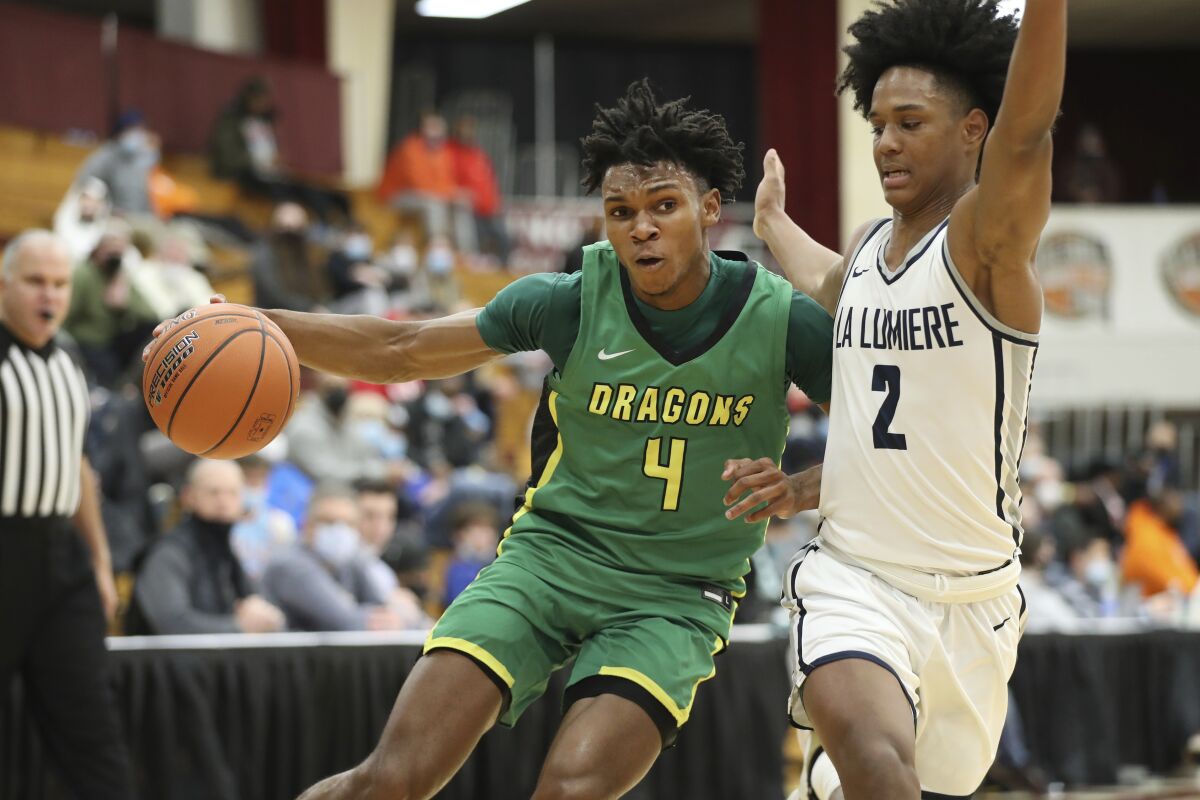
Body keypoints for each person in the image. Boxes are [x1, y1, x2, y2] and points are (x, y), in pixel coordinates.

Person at [146, 79, 835, 799]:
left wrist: (802, 488)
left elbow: (884, 429)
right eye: (620, 211)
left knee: (569, 791)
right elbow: (401, 347)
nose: (641, 228)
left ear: (711, 210)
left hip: (673, 594)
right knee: (389, 780)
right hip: (548, 562)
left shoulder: (781, 319)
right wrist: (249, 321)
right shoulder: (567, 301)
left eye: (664, 206)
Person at [750, 1, 1064, 797]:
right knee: (880, 767)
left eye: (910, 122)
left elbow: (1027, 134)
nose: (886, 140)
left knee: (920, 781)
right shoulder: (863, 252)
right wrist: (773, 224)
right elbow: (827, 280)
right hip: (853, 575)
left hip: (975, 599)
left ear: (972, 131)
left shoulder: (983, 247)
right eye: (878, 122)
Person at [0, 230, 134, 798]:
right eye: (35, 281)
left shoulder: (70, 356)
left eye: (58, 283)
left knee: (94, 738)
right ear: (5, 283)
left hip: (63, 561)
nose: (48, 295)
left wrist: (100, 562)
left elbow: (75, 463)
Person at [129, 459, 285, 635]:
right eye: (213, 492)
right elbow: (171, 624)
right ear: (189, 496)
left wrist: (268, 618)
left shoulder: (228, 551)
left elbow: (260, 604)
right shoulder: (169, 553)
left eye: (233, 493)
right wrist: (239, 628)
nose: (223, 502)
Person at [262, 485, 412, 632]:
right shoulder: (289, 564)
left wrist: (394, 615)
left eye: (348, 523)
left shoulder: (350, 560)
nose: (340, 531)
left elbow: (383, 607)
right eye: (329, 521)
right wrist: (385, 617)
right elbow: (344, 621)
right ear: (307, 525)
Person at [208, 76, 352, 226]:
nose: (262, 104)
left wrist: (276, 161)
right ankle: (288, 228)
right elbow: (229, 157)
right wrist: (260, 161)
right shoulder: (232, 120)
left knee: (319, 192)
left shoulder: (267, 120)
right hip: (244, 175)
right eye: (259, 99)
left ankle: (331, 227)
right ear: (248, 97)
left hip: (273, 174)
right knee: (281, 192)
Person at [74, 108, 160, 216]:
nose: (138, 135)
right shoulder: (108, 155)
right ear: (121, 132)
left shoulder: (144, 157)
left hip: (142, 218)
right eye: (133, 130)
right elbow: (84, 180)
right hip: (114, 218)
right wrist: (104, 205)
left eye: (142, 130)